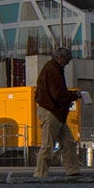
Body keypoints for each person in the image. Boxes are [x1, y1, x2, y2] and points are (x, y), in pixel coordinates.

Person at [34, 46, 83, 178]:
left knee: (68, 143)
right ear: (60, 58)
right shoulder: (53, 70)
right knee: (48, 145)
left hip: (55, 113)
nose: (66, 64)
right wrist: (73, 96)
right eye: (66, 61)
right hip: (52, 112)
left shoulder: (51, 68)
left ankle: (72, 171)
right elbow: (58, 94)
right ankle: (40, 174)